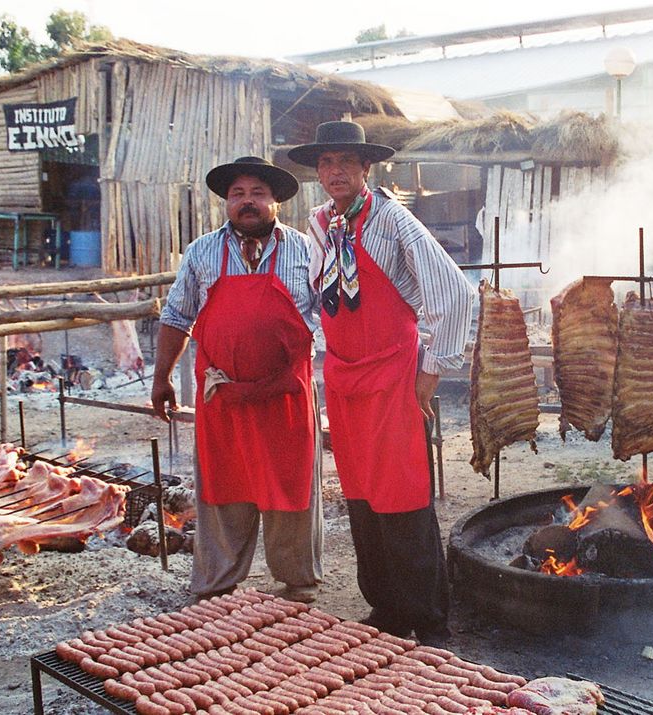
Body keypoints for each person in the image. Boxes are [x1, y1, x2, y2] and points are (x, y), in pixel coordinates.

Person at [288, 122, 474, 646]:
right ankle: (388, 609)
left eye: (346, 161)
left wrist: (429, 374)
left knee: (403, 495)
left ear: (365, 168)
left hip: (393, 372)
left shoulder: (393, 220)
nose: (334, 172)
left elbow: (454, 294)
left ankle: (429, 617)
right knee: (361, 494)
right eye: (326, 163)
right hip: (345, 376)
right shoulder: (321, 225)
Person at [151, 156, 322, 603]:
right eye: (237, 194)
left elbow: (333, 316)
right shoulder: (202, 252)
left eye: (257, 193)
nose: (247, 202)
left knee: (289, 487)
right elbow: (176, 316)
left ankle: (298, 580)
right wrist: (161, 376)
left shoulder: (307, 250)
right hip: (221, 396)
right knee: (224, 486)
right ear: (227, 203)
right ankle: (218, 583)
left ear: (276, 202)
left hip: (285, 393)